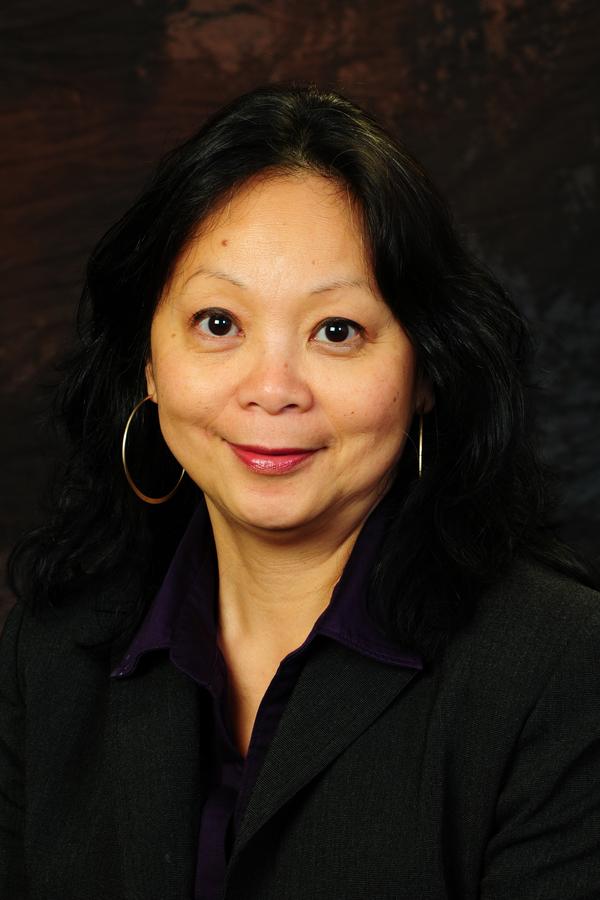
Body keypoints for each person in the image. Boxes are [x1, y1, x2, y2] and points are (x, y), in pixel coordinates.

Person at [1, 83, 599, 900]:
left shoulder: (562, 670)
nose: (273, 390)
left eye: (337, 331)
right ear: (147, 357)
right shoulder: (50, 652)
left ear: (427, 369)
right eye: (219, 323)